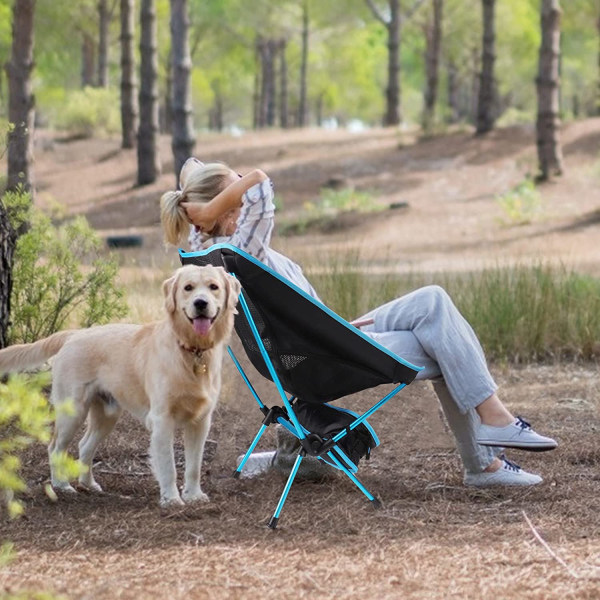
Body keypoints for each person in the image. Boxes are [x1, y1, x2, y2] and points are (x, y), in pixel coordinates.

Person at [160, 158, 558, 488]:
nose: (242, 203)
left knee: (432, 304)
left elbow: (203, 187)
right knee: (442, 340)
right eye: (234, 199)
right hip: (325, 357)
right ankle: (486, 454)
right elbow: (261, 184)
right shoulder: (242, 247)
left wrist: (201, 200)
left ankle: (490, 439)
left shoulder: (204, 256)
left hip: (319, 343)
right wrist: (215, 202)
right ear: (221, 212)